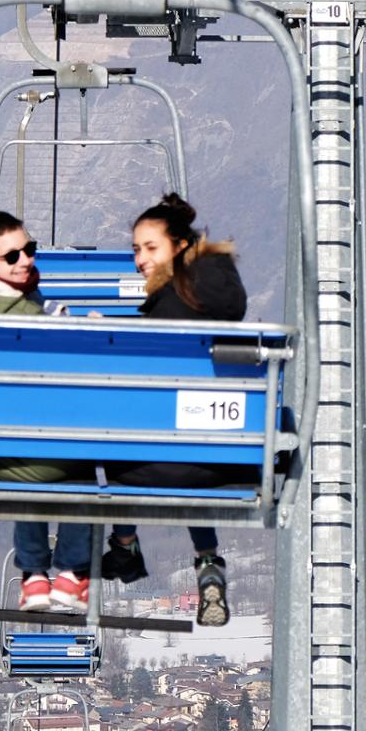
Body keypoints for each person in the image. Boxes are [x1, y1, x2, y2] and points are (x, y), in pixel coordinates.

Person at [98, 193, 243, 626]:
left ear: (179, 247)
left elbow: (146, 360)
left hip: (145, 466)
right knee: (188, 459)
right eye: (136, 249)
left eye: (150, 247)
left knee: (116, 435)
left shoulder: (170, 300)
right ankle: (208, 561)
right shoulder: (223, 293)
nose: (140, 258)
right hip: (220, 463)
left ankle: (124, 545)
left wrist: (105, 334)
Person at [0, 208, 91, 613]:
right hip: (29, 459)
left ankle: (34, 575)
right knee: (91, 452)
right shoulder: (28, 316)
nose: (26, 260)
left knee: (29, 443)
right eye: (12, 257)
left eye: (29, 249)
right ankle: (73, 572)